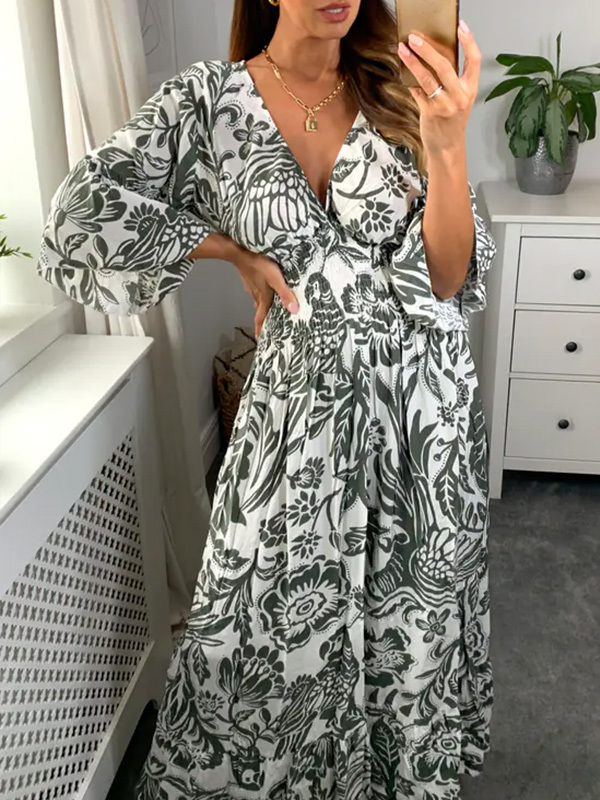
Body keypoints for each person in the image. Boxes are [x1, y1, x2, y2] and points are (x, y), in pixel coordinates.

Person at [38, 0, 497, 796]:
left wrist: (448, 145)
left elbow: (450, 277)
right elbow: (78, 217)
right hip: (294, 412)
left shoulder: (402, 85)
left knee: (406, 621)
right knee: (250, 612)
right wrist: (228, 250)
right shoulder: (209, 102)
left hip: (421, 408)